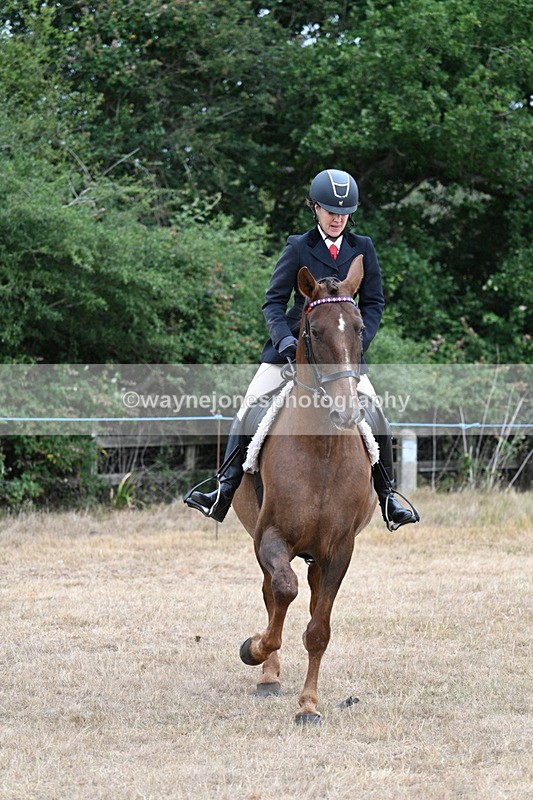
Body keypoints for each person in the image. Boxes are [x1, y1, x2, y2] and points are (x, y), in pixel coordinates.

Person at [185, 168, 419, 530]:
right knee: (250, 406)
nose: (338, 217)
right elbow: (273, 304)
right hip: (292, 350)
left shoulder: (363, 249)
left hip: (341, 357)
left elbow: (374, 304)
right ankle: (223, 489)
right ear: (315, 208)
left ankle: (388, 496)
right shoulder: (298, 247)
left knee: (376, 414)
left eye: (344, 211)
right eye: (330, 210)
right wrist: (285, 342)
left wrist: (354, 346)